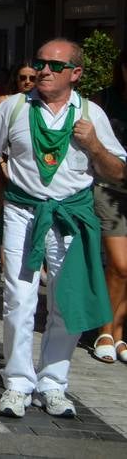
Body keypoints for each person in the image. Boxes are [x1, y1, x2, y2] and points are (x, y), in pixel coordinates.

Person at [0, 38, 126, 419]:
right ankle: (17, 382)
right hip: (24, 213)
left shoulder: (91, 115)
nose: (44, 70)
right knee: (19, 300)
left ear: (75, 74)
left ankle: (53, 383)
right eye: (40, 63)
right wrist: (9, 200)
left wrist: (94, 146)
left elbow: (118, 172)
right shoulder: (11, 108)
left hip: (73, 218)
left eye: (55, 66)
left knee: (66, 301)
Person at [92, 48, 127, 365]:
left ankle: (118, 331)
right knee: (119, 263)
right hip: (108, 188)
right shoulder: (104, 100)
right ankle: (105, 329)